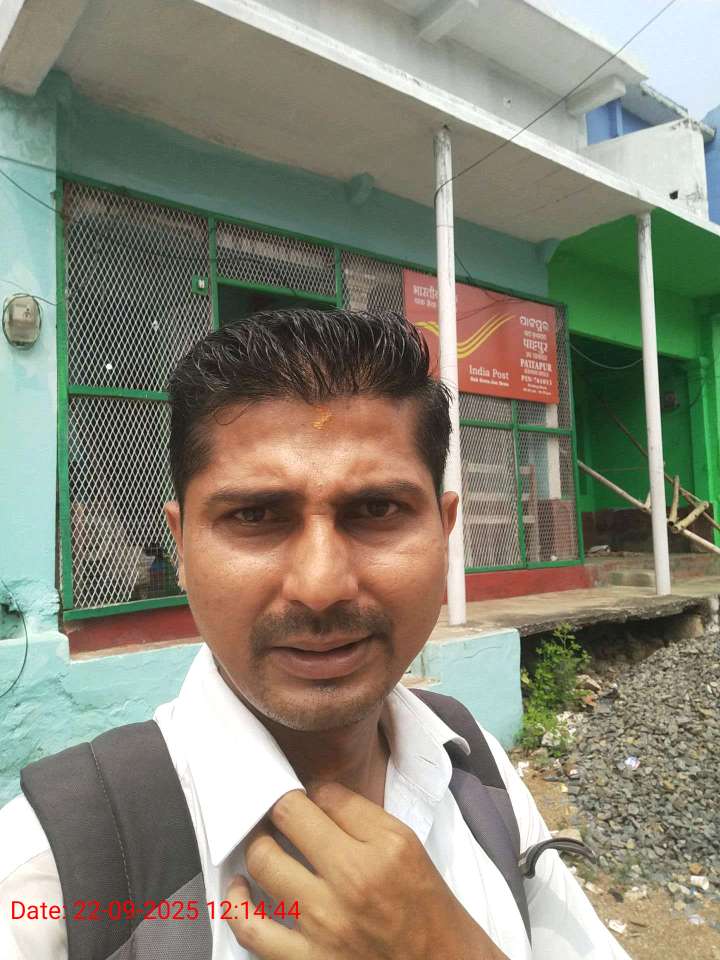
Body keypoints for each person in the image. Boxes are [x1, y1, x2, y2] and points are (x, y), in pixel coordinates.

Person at [0, 310, 630, 959]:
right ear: (181, 545)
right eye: (254, 515)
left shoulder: (475, 772)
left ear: (445, 533)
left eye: (377, 509)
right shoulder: (52, 877)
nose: (322, 585)